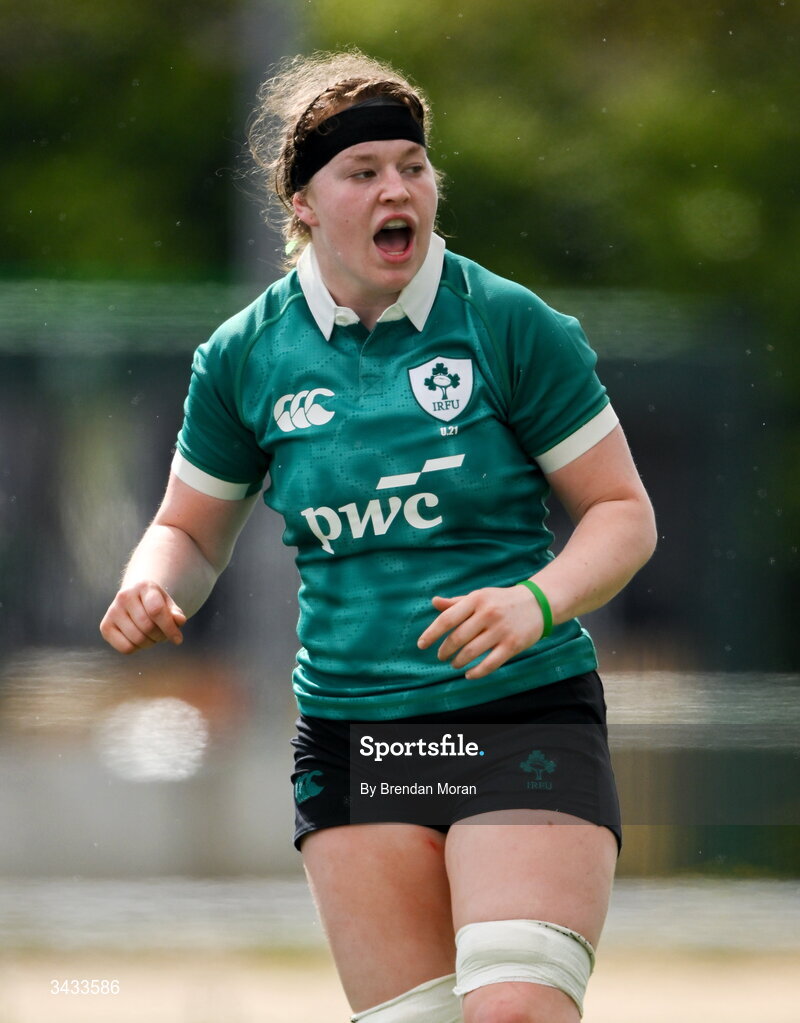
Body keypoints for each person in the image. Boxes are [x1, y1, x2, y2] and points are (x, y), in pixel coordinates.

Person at [100, 49, 656, 1023]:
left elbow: (620, 514)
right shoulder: (243, 358)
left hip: (514, 715)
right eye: (363, 172)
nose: (397, 188)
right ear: (306, 203)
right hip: (358, 736)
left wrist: (535, 602)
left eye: (411, 164)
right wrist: (154, 583)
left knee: (513, 1011)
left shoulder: (508, 325)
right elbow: (187, 529)